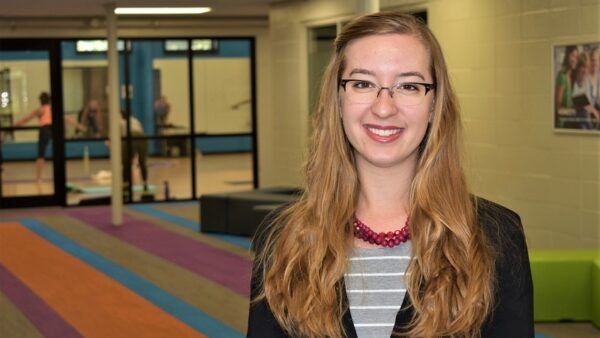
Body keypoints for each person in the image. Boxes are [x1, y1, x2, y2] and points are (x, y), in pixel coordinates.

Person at [247, 12, 533, 338]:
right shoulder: (283, 238)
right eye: (363, 83)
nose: (384, 107)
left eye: (408, 86)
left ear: (434, 104)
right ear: (338, 100)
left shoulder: (495, 237)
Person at [14, 92, 85, 183]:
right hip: (54, 129)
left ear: (41, 101)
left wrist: (14, 125)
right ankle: (58, 176)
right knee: (57, 153)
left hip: (45, 129)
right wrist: (79, 126)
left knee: (41, 154)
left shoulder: (40, 110)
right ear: (50, 101)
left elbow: (26, 119)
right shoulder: (53, 109)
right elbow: (67, 119)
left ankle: (39, 178)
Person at [120, 110, 149, 192]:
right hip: (142, 137)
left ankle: (126, 184)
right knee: (142, 161)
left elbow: (121, 136)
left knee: (126, 162)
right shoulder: (135, 120)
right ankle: (145, 183)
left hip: (131, 136)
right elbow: (141, 130)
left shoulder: (121, 122)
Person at [555, 45, 579, 127]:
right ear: (567, 56)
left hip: (571, 120)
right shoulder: (562, 76)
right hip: (563, 123)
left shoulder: (572, 76)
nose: (575, 60)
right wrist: (574, 112)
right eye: (572, 55)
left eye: (576, 57)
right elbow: (558, 109)